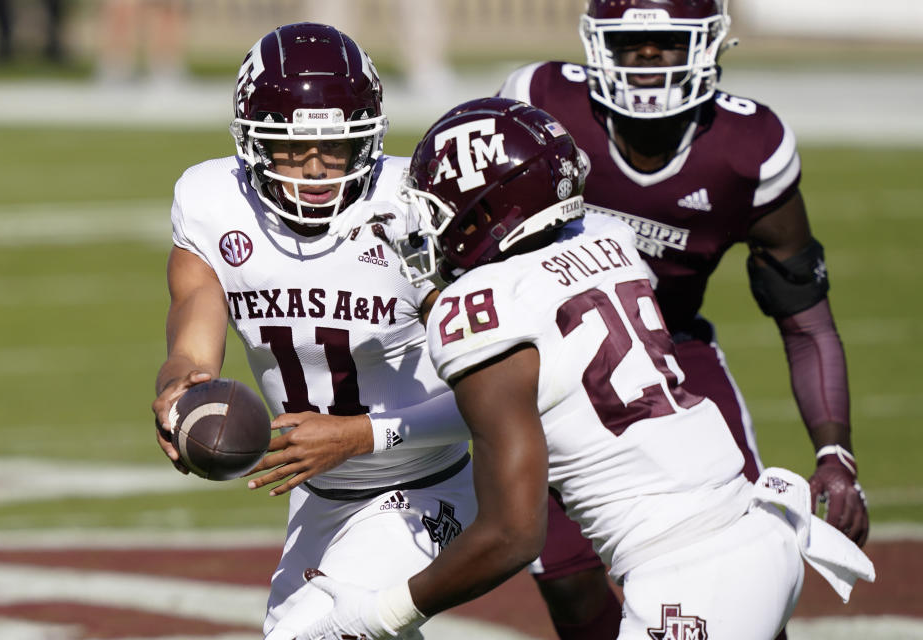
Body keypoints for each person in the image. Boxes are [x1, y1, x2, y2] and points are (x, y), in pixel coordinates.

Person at [285, 97, 874, 640]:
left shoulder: (481, 307)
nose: (427, 228)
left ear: (483, 212)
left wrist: (378, 614)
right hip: (755, 530)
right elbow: (523, 396)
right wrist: (375, 435)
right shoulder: (610, 237)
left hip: (687, 572)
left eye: (437, 209)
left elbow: (512, 535)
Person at [495, 1, 870, 636]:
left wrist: (836, 453)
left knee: (748, 558)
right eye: (629, 45)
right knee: (571, 583)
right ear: (596, 45)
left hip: (672, 351)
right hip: (539, 362)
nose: (646, 59)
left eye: (666, 42)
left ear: (708, 44)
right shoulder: (541, 104)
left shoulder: (746, 147)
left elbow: (807, 322)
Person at [150, 23, 476, 639]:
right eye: (292, 149)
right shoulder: (211, 199)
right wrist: (179, 386)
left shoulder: (421, 205)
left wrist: (359, 436)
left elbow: (507, 396)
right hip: (319, 492)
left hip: (429, 483)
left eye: (337, 149)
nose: (316, 170)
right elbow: (195, 323)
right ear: (251, 141)